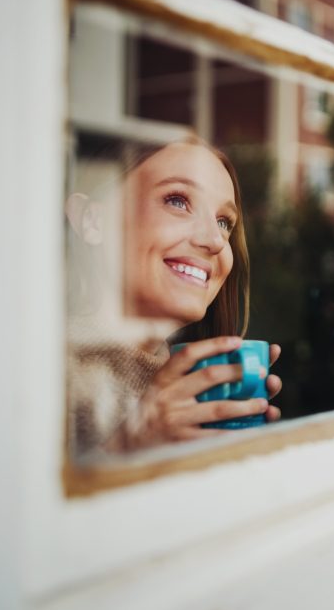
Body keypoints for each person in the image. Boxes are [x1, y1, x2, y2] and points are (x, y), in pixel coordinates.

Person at [64, 136, 282, 457]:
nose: (216, 241)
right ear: (92, 221)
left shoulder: (194, 387)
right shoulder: (36, 371)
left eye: (224, 222)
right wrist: (129, 444)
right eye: (178, 201)